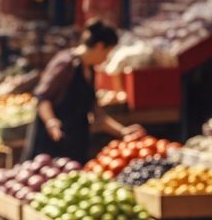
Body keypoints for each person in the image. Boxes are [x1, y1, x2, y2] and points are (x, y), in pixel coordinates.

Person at [27, 20, 146, 164]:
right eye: (107, 53)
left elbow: (97, 114)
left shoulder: (90, 69)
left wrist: (122, 132)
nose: (106, 58)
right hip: (52, 143)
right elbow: (42, 98)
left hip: (75, 144)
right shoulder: (66, 63)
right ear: (100, 46)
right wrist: (51, 122)